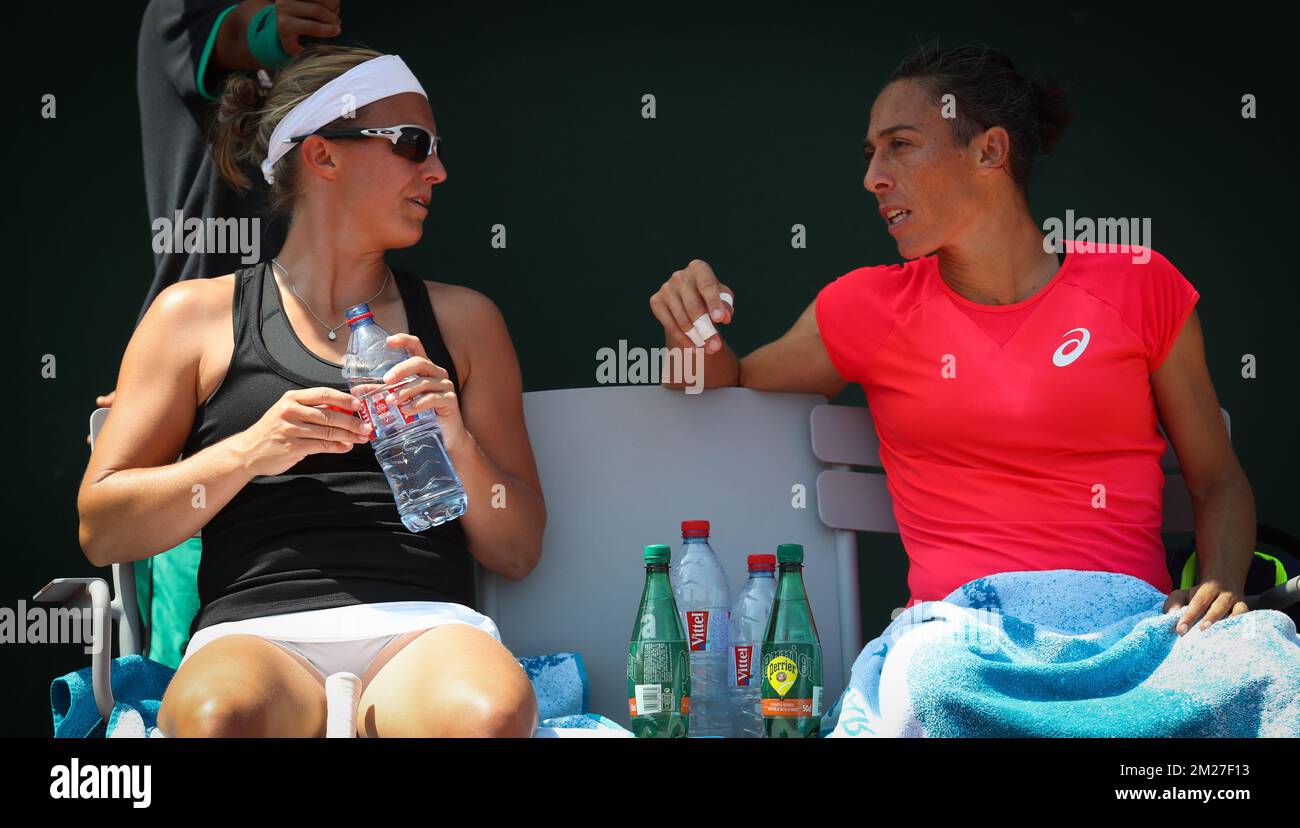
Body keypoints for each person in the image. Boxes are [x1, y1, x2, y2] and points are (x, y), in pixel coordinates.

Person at [649, 44, 1256, 637]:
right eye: (870, 154)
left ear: (989, 150)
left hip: (1129, 634)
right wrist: (691, 328)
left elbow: (1217, 481)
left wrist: (1222, 585)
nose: (872, 178)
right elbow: (729, 379)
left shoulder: (1142, 284)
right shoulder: (865, 306)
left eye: (900, 146)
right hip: (956, 641)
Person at [77, 45, 546, 737]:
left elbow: (517, 550)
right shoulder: (191, 316)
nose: (437, 171)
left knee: (492, 716)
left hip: (423, 632)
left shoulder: (465, 321)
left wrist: (456, 440)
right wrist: (250, 451)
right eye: (413, 145)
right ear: (323, 156)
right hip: (255, 635)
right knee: (213, 721)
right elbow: (101, 528)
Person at [92, 0, 342, 417]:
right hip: (203, 340)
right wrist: (272, 28)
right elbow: (248, 32)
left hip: (312, 328)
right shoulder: (174, 12)